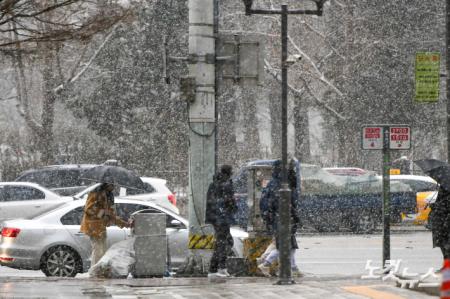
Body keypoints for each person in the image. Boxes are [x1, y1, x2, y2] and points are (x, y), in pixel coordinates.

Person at [258, 160, 301, 277]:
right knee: (285, 245)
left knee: (287, 244)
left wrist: (268, 217)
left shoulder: (273, 183)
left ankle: (290, 267)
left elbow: (267, 203)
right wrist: (294, 215)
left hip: (279, 219)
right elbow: (288, 202)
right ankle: (267, 263)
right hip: (284, 219)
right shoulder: (283, 184)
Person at [80, 182, 130, 273]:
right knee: (98, 250)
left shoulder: (109, 196)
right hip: (93, 226)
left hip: (101, 227)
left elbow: (112, 215)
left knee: (102, 251)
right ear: (106, 185)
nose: (114, 187)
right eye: (112, 185)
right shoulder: (95, 193)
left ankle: (98, 271)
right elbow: (88, 209)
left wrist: (125, 224)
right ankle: (95, 272)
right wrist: (103, 214)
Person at [206, 165, 237, 278]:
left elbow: (211, 201)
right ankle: (215, 269)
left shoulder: (214, 184)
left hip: (216, 217)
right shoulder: (226, 184)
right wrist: (232, 205)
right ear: (229, 173)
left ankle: (221, 268)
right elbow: (229, 202)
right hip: (222, 218)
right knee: (222, 243)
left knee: (226, 241)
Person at [429, 185, 450, 271]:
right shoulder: (444, 185)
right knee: (443, 244)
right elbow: (441, 202)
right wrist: (434, 205)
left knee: (446, 246)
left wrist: (438, 206)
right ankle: (446, 266)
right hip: (441, 222)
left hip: (445, 222)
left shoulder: (446, 187)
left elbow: (445, 204)